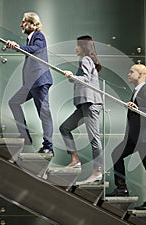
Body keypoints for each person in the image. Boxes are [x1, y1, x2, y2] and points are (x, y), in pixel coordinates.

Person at [107, 64, 146, 211]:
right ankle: (121, 188)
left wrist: (137, 109)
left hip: (144, 138)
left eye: (131, 72)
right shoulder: (137, 91)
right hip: (134, 137)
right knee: (116, 154)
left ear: (141, 74)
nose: (128, 74)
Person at [6, 12, 53, 154]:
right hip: (31, 83)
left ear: (33, 24)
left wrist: (17, 47)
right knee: (13, 102)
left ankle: (48, 148)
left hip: (39, 81)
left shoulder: (39, 36)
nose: (21, 24)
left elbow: (37, 49)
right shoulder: (30, 39)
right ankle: (25, 137)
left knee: (44, 114)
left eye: (24, 22)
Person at [59, 35, 103, 183]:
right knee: (65, 128)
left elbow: (86, 79)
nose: (75, 48)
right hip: (85, 104)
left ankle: (98, 171)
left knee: (94, 139)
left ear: (83, 47)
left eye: (77, 45)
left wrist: (71, 76)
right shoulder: (87, 60)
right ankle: (75, 159)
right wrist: (72, 77)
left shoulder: (86, 59)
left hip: (91, 104)